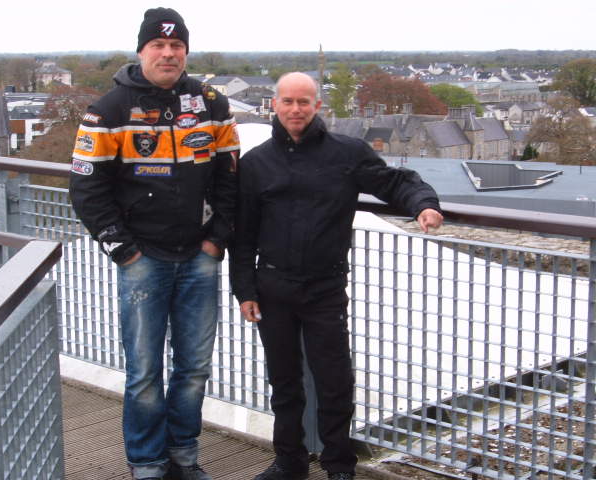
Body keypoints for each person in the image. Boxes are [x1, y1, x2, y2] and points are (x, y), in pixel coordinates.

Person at [231, 72, 443, 480]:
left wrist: (423, 204)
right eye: (288, 101)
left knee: (334, 382)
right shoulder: (256, 164)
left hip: (325, 287)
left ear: (317, 106)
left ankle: (339, 465)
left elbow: (394, 182)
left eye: (304, 102)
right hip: (272, 287)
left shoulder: (346, 153)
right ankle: (289, 463)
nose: (296, 109)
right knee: (284, 383)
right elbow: (243, 235)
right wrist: (244, 290)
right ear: (274, 104)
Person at [69, 8, 239, 480]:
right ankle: (147, 463)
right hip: (143, 259)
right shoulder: (108, 109)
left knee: (194, 369)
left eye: (176, 46)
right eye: (158, 46)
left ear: (186, 51)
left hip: (200, 257)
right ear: (141, 51)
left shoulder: (211, 103)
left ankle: (184, 457)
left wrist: (217, 240)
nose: (168, 54)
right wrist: (123, 251)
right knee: (144, 373)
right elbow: (86, 188)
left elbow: (231, 179)